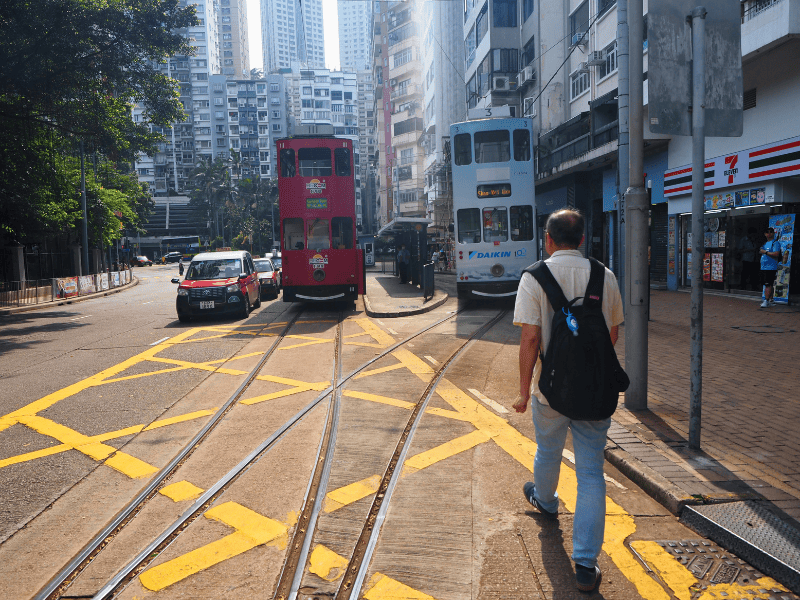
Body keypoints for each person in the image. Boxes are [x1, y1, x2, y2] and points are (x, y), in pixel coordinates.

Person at [512, 208, 624, 593]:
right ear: (581, 240)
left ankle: (545, 500)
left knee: (548, 449)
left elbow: (530, 338)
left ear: (547, 239)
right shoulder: (604, 275)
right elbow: (611, 333)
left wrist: (525, 390)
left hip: (551, 390)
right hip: (596, 391)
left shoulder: (534, 277)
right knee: (591, 472)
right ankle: (585, 564)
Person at [759, 226, 783, 307]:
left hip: (771, 267)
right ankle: (771, 300)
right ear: (765, 234)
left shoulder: (775, 243)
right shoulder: (765, 243)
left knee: (767, 284)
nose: (769, 233)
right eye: (767, 232)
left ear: (773, 233)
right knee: (769, 284)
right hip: (764, 267)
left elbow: (776, 254)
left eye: (771, 232)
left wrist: (765, 252)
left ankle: (766, 300)